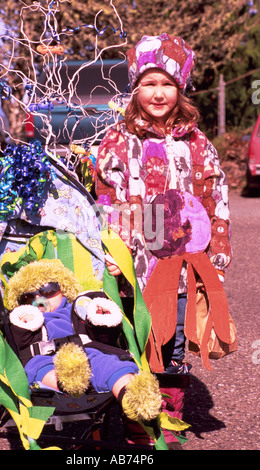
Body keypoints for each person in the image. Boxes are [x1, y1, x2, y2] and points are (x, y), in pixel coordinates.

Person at [95, 33, 234, 448]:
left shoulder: (197, 145)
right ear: (136, 87)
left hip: (181, 269)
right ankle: (137, 422)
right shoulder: (118, 143)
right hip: (134, 266)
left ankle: (167, 418)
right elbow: (108, 201)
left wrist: (219, 251)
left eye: (168, 84)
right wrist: (111, 251)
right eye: (150, 83)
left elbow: (215, 196)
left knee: (172, 345)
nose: (159, 93)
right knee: (135, 342)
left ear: (181, 89)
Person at [4, 258, 163, 424]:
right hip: (47, 357)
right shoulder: (29, 320)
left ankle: (134, 395)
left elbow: (102, 332)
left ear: (64, 289)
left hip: (88, 352)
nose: (39, 297)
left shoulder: (78, 308)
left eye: (48, 289)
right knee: (37, 367)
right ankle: (66, 380)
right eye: (27, 297)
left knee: (110, 364)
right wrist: (21, 322)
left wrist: (100, 316)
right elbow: (18, 343)